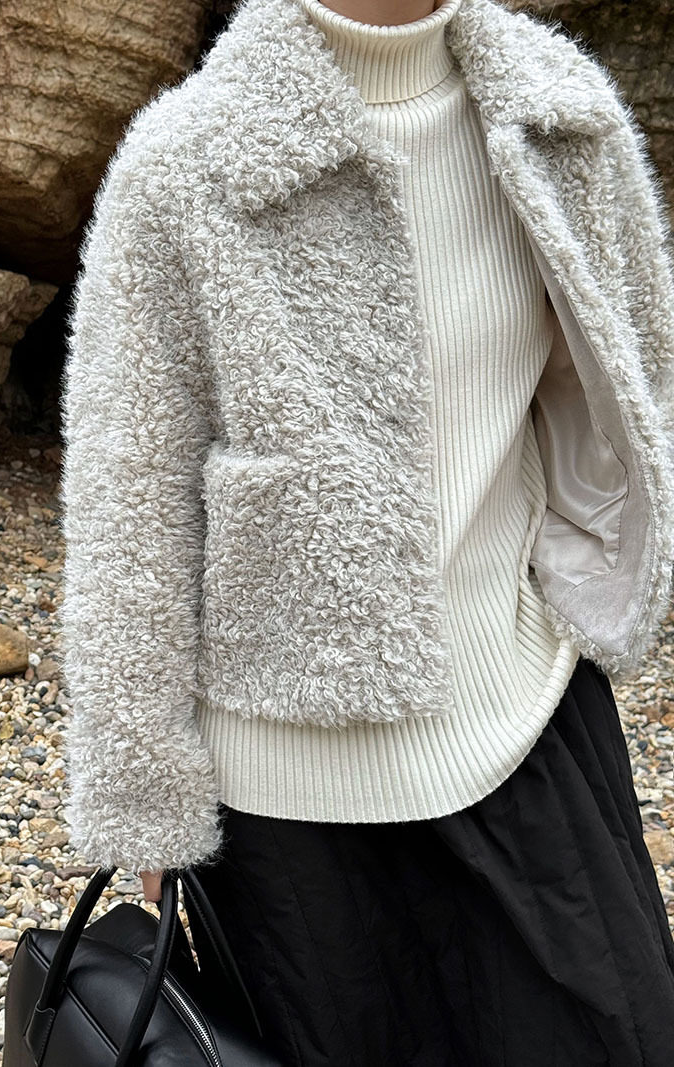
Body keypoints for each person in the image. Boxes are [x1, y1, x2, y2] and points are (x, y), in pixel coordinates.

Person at [58, 0, 674, 1062]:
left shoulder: (560, 116)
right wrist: (142, 790)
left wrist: (591, 572)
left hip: (527, 717)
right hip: (289, 802)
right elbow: (129, 505)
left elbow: (632, 375)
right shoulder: (187, 160)